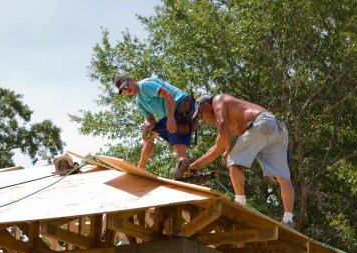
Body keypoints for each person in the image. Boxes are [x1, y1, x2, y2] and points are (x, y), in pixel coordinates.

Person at [187, 94, 295, 228]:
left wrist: (227, 149)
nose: (202, 119)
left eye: (201, 115)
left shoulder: (218, 100)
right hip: (277, 128)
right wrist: (196, 164)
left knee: (233, 160)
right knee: (282, 176)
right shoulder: (234, 119)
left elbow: (221, 125)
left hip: (261, 123)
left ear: (207, 106)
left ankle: (240, 203)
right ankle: (288, 219)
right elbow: (217, 148)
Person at [113, 75, 196, 174]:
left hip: (183, 104)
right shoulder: (139, 101)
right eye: (123, 90)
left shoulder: (145, 85)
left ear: (131, 80)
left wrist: (170, 118)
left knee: (176, 133)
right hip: (172, 113)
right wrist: (146, 128)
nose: (127, 90)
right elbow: (151, 120)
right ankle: (140, 169)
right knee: (149, 135)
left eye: (126, 86)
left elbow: (168, 95)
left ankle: (181, 165)